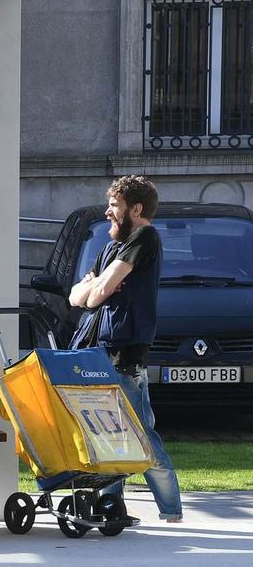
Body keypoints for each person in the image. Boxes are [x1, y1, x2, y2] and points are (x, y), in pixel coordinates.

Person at [68, 175, 182, 523]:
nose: (107, 212)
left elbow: (98, 295)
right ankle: (112, 508)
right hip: (101, 352)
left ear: (136, 209)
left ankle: (171, 511)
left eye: (114, 205)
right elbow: (76, 296)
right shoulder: (109, 248)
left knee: (140, 433)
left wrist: (96, 288)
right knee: (108, 433)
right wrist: (95, 287)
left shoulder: (144, 237)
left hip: (126, 355)